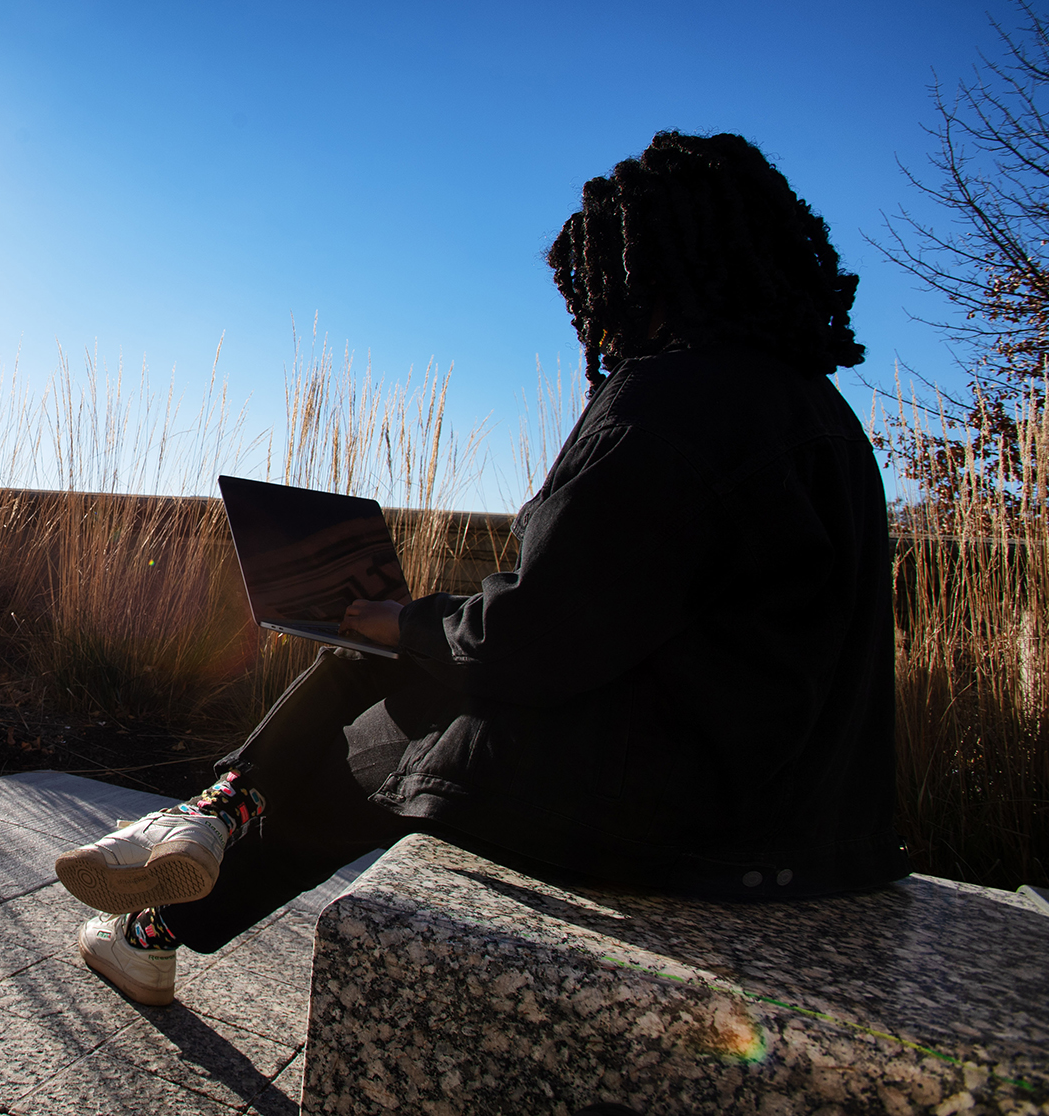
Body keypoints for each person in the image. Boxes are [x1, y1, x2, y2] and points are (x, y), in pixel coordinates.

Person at [55, 131, 908, 1008]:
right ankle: (192, 850)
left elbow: (542, 635)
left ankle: (193, 849)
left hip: (687, 825)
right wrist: (416, 625)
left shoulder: (669, 400)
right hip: (796, 818)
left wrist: (411, 623)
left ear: (639, 268)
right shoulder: (825, 421)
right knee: (387, 674)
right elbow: (616, 612)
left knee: (372, 734)